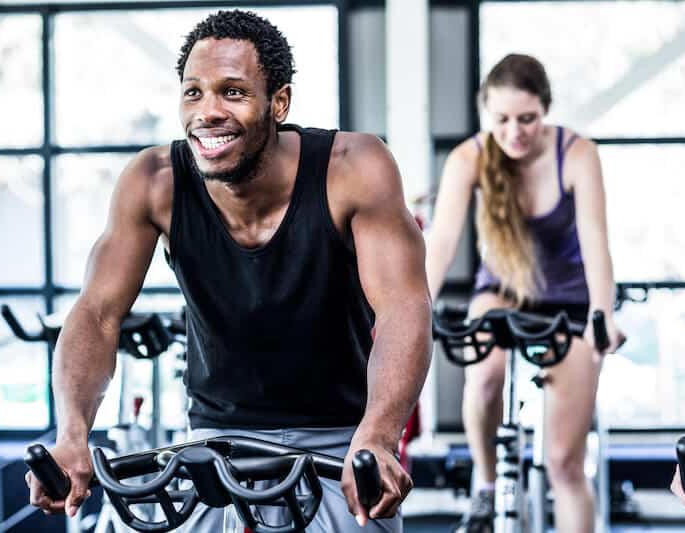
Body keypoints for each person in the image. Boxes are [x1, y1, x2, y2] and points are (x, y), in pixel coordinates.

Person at [24, 9, 432, 532]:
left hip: (339, 438)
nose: (207, 111)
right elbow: (98, 314)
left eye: (233, 92)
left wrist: (379, 432)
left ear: (278, 103)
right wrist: (73, 432)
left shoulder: (353, 167)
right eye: (194, 92)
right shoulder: (155, 181)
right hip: (212, 442)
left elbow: (403, 307)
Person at [425, 53, 624, 533]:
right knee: (486, 376)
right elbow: (443, 241)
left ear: (546, 110)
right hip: (503, 292)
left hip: (571, 302)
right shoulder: (469, 157)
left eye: (528, 119)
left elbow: (596, 238)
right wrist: (412, 311)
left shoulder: (576, 153)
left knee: (563, 463)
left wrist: (602, 314)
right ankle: (487, 486)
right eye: (502, 120)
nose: (515, 131)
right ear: (485, 114)